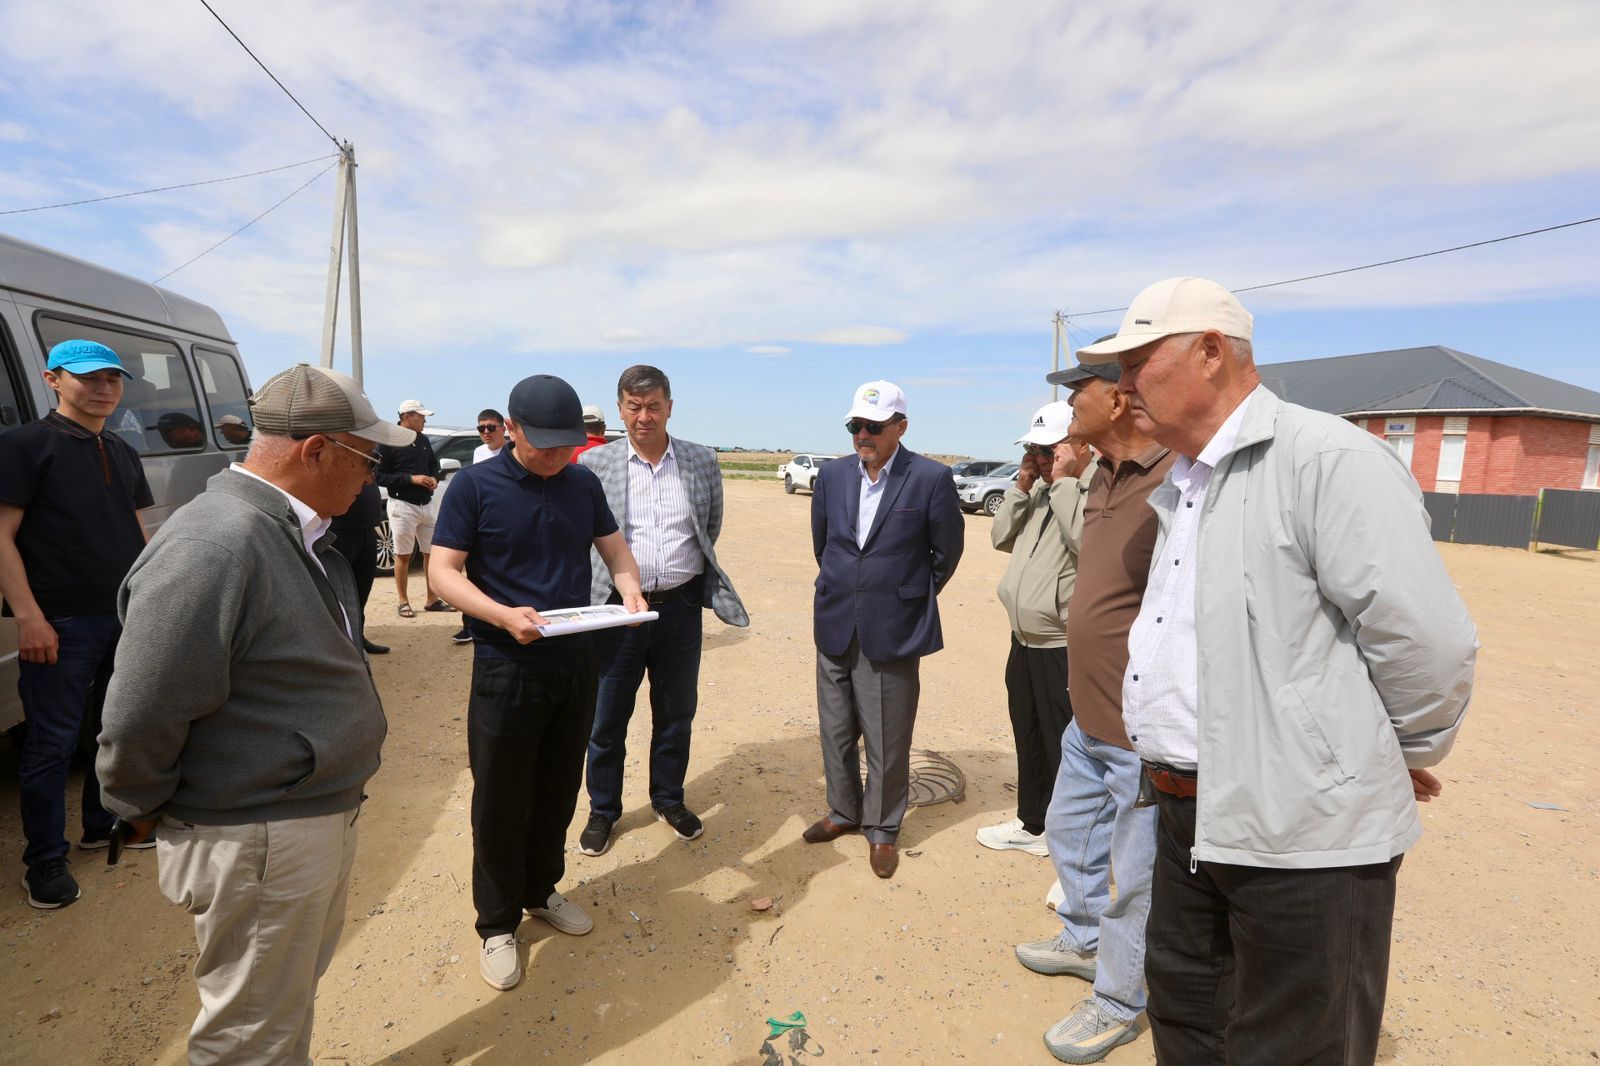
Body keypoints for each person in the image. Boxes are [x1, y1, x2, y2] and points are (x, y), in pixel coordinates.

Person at [1078, 277, 1478, 1063]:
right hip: (1184, 814)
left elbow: (1428, 642)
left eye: (1138, 362)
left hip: (1304, 837)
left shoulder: (1326, 459)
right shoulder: (1187, 480)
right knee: (1190, 1020)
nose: (1122, 388)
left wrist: (1377, 753)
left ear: (1212, 351)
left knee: (1298, 1045)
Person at [96, 362, 407, 1064]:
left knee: (275, 1009)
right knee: (249, 1038)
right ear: (316, 450)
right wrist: (135, 802)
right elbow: (144, 707)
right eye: (367, 457)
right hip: (257, 833)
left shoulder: (281, 530)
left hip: (290, 820)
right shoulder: (219, 542)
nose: (372, 477)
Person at [429, 373, 647, 993]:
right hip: (506, 663)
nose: (556, 457)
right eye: (544, 445)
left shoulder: (581, 482)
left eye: (565, 445)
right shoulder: (474, 485)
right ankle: (496, 922)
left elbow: (613, 548)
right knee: (500, 795)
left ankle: (540, 891)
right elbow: (445, 572)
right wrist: (500, 615)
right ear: (512, 429)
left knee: (556, 784)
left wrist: (628, 586)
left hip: (572, 658)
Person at [1012, 358, 1175, 1063]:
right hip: (1089, 718)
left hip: (1140, 728)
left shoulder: (1176, 478)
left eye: (1079, 388)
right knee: (1068, 829)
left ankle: (1118, 999)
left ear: (1122, 395)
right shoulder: (1102, 475)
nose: (1067, 399)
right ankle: (1079, 937)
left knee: (1135, 877)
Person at [0, 339, 154, 909]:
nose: (103, 388)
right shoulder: (24, 446)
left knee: (112, 729)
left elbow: (135, 532)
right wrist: (29, 618)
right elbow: (2, 539)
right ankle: (43, 863)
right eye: (88, 378)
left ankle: (100, 824)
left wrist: (148, 598)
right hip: (59, 623)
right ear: (53, 379)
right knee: (49, 745)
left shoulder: (122, 448)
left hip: (120, 614)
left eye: (112, 379)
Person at [575, 365, 749, 857]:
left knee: (676, 713)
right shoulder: (598, 464)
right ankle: (603, 809)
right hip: (616, 613)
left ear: (670, 406)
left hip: (679, 611)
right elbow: (588, 534)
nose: (643, 417)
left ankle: (668, 798)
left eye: (653, 406)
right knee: (606, 717)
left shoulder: (700, 461)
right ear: (620, 409)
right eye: (633, 406)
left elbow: (708, 525)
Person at [804, 380, 963, 879]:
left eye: (873, 426)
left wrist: (905, 595)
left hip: (892, 628)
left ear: (901, 427)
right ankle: (844, 811)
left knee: (887, 737)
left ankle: (883, 827)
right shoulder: (830, 477)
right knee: (835, 729)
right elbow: (823, 542)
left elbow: (947, 552)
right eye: (855, 425)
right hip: (834, 621)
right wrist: (846, 586)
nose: (862, 435)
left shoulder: (931, 478)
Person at [978, 401, 1093, 858]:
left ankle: (1066, 838)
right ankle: (1033, 823)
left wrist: (1064, 482)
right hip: (1023, 640)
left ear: (1077, 445)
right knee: (1027, 734)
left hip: (1060, 643)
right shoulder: (1042, 489)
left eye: (1049, 452)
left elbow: (1087, 542)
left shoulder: (1088, 488)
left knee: (1061, 743)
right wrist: (1022, 486)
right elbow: (1001, 537)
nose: (1041, 461)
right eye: (1034, 451)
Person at [376, 398, 452, 617]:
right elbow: (379, 476)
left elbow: (433, 467)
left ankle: (432, 599)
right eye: (421, 416)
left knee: (432, 554)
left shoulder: (423, 440)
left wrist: (434, 478)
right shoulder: (388, 441)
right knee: (403, 555)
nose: (424, 421)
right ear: (407, 417)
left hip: (426, 504)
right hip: (402, 506)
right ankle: (403, 601)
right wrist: (411, 479)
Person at [451, 408, 510, 646]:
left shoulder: (512, 452)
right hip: (479, 520)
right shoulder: (478, 452)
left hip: (504, 520)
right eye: (481, 428)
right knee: (473, 575)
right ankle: (470, 625)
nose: (486, 432)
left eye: (490, 427)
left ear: (503, 429)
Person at [331, 479, 390, 655]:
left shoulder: (365, 460)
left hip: (367, 530)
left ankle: (358, 636)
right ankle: (340, 644)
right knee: (339, 592)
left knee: (361, 590)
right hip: (340, 531)